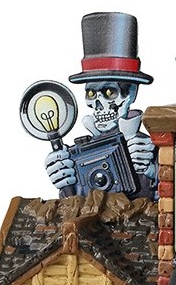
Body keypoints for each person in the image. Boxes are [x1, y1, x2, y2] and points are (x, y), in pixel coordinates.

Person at [44, 12, 157, 200]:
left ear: (131, 93)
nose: (97, 104)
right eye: (90, 93)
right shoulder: (79, 154)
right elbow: (73, 205)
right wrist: (65, 180)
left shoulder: (149, 149)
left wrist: (153, 170)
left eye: (109, 92)